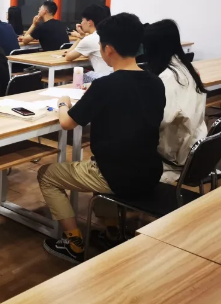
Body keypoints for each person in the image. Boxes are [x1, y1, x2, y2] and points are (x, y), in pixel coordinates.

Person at [37, 13, 165, 264]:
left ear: (108, 50)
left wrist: (63, 103)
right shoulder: (155, 82)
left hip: (115, 174)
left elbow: (67, 123)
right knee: (103, 170)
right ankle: (112, 231)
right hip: (150, 171)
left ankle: (73, 243)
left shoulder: (106, 85)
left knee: (46, 175)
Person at [144, 19, 207, 183]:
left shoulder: (169, 77)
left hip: (174, 156)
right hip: (196, 145)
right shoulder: (187, 68)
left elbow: (159, 120)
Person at [64, 4, 113, 82]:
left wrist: (81, 37)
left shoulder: (90, 39)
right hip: (113, 76)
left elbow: (68, 57)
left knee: (76, 77)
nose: (81, 23)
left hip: (102, 78)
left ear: (89, 22)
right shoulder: (108, 34)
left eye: (82, 20)